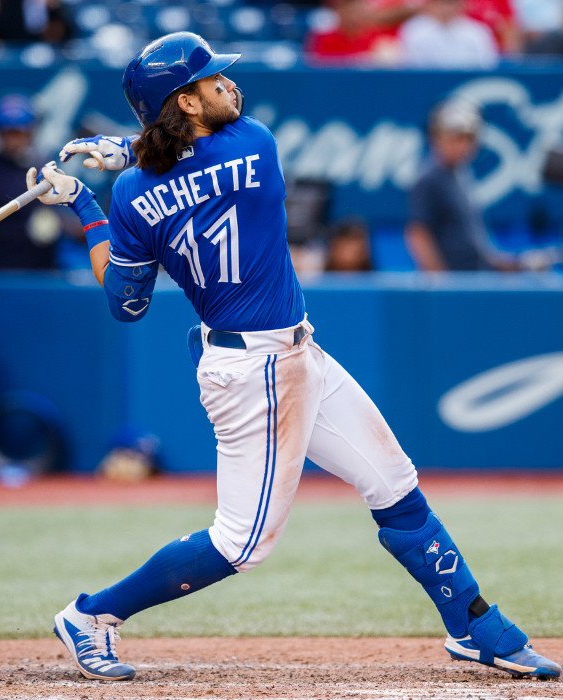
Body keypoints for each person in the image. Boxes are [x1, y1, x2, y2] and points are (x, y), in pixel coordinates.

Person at [30, 32, 561, 682]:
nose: (228, 84)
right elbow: (195, 153)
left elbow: (126, 301)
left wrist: (85, 204)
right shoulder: (253, 142)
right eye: (211, 80)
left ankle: (475, 626)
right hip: (257, 374)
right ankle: (90, 616)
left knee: (392, 482)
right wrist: (127, 149)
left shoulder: (132, 195)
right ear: (186, 103)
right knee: (240, 543)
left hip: (286, 356)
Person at [405, 100, 516, 271]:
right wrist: (441, 280)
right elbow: (418, 235)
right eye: (456, 138)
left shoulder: (462, 175)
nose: (464, 146)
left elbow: (470, 240)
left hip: (474, 277)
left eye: (469, 139)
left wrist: (499, 263)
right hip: (455, 282)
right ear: (436, 138)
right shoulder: (429, 179)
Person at [0, 94, 63, 276]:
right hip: (3, 275)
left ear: (31, 132)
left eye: (19, 132)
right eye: (8, 132)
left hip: (46, 275)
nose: (14, 139)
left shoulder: (47, 169)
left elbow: (61, 219)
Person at [399, 0, 499, 68]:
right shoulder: (414, 30)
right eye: (441, 3)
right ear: (431, 4)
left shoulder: (478, 32)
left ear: (462, 5)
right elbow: (411, 66)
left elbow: (487, 65)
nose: (446, 8)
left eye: (451, 3)